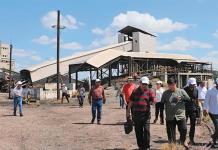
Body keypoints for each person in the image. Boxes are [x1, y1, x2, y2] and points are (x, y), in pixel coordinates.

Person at [126, 76, 156, 150]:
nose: (144, 85)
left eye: (146, 84)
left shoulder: (149, 91)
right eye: (143, 84)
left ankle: (146, 146)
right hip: (136, 115)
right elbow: (130, 102)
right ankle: (140, 146)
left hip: (146, 115)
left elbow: (153, 100)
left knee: (146, 131)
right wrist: (128, 112)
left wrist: (153, 102)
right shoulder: (135, 91)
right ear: (140, 83)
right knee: (138, 131)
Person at [161, 78, 190, 148]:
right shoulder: (165, 93)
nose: (171, 86)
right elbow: (162, 103)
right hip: (170, 116)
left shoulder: (181, 91)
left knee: (184, 130)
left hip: (180, 115)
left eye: (172, 85)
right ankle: (172, 146)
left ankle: (183, 141)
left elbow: (188, 99)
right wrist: (161, 115)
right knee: (171, 134)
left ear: (175, 84)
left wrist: (182, 98)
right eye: (169, 85)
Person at [203, 78, 218, 147]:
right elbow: (206, 101)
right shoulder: (210, 91)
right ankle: (214, 139)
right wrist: (205, 109)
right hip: (213, 112)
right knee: (217, 126)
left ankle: (214, 138)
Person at [184, 78, 198, 145]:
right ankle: (183, 139)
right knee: (184, 126)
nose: (192, 86)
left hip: (193, 110)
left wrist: (198, 109)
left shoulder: (196, 90)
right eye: (191, 84)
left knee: (193, 125)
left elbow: (196, 100)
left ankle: (191, 139)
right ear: (189, 84)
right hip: (185, 110)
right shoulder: (184, 90)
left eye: (194, 84)